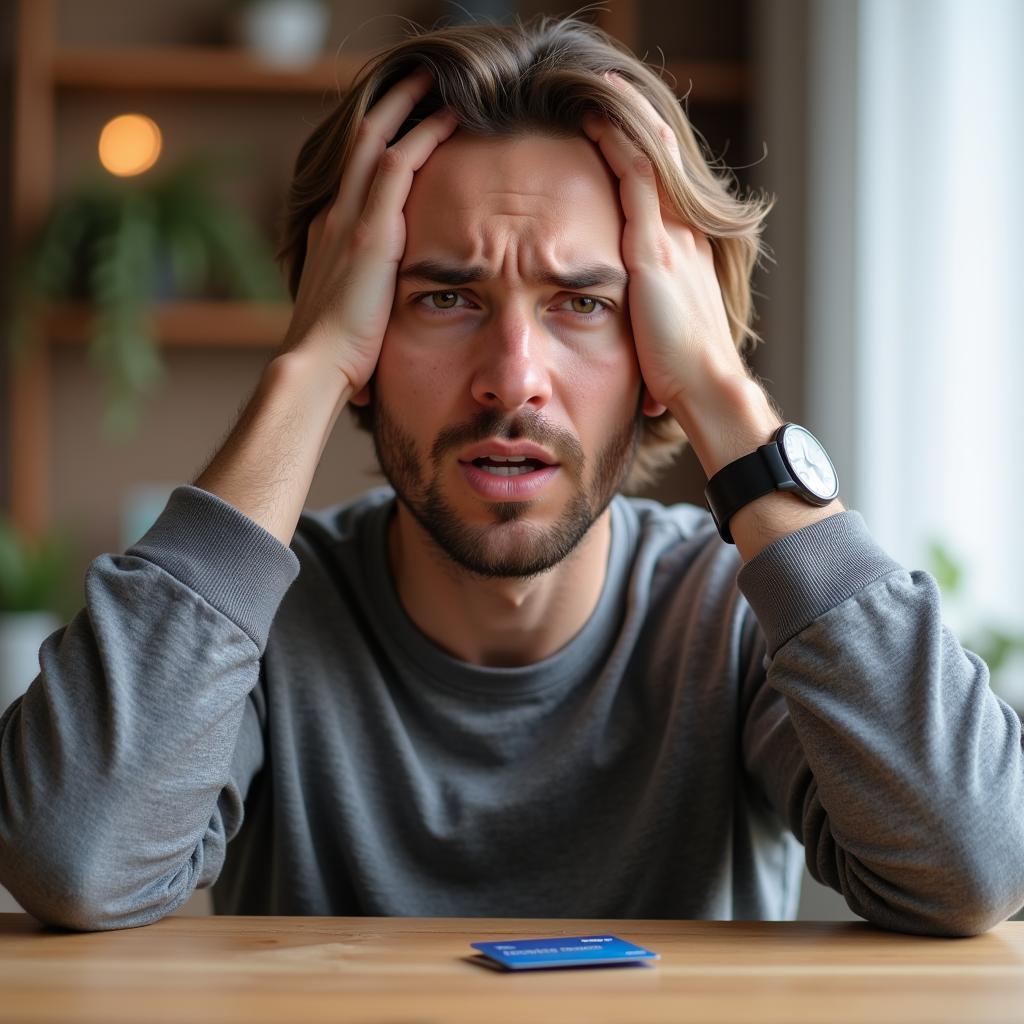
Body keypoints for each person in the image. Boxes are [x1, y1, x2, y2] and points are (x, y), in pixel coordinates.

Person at [1, 16, 1022, 936]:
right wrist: (304, 371)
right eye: (444, 297)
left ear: (661, 354)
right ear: (356, 332)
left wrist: (725, 395)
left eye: (583, 304)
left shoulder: (739, 615)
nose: (512, 381)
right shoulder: (259, 626)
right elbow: (71, 859)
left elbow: (979, 864)